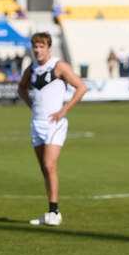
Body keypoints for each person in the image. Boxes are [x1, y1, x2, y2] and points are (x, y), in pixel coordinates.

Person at [18, 32, 87, 226]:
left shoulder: (59, 66)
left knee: (49, 166)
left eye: (41, 46)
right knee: (44, 169)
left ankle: (55, 212)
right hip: (36, 123)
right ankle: (51, 211)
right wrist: (31, 105)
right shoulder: (32, 68)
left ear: (49, 48)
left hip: (54, 124)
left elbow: (81, 87)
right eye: (35, 46)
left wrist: (64, 109)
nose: (38, 50)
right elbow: (21, 88)